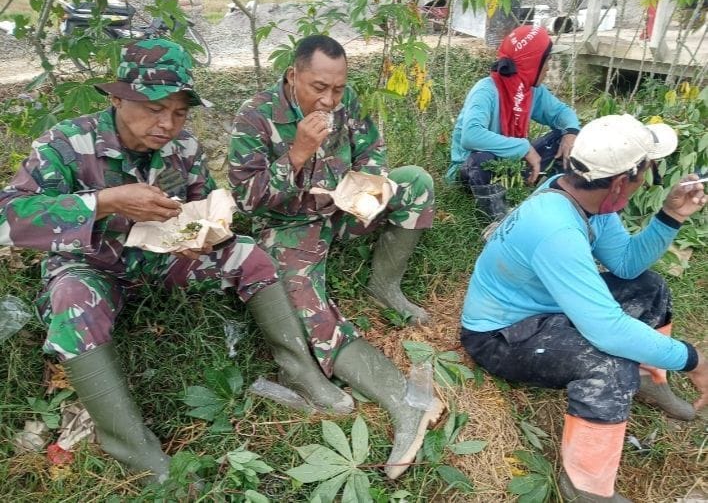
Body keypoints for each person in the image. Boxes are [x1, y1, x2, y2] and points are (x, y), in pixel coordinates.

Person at [0, 38, 355, 483]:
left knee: (252, 256)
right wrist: (104, 202)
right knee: (72, 301)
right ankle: (133, 446)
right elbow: (8, 217)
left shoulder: (182, 147)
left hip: (162, 259)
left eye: (179, 112)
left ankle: (300, 369)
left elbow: (202, 205)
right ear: (117, 97)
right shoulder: (67, 144)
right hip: (90, 265)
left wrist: (202, 232)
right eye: (153, 108)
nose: (166, 124)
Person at [459, 114, 707, 502]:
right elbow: (606, 330)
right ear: (621, 182)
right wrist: (694, 360)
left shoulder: (584, 200)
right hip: (499, 335)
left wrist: (670, 216)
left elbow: (625, 264)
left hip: (545, 310)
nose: (648, 180)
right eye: (648, 172)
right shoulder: (557, 228)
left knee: (651, 288)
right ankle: (584, 488)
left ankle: (648, 380)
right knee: (608, 363)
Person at [228, 35, 442, 479]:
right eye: (318, 87)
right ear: (293, 76)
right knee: (309, 308)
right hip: (291, 225)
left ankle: (385, 286)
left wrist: (372, 184)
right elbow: (249, 201)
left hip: (345, 207)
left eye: (337, 89)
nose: (328, 99)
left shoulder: (346, 102)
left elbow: (372, 150)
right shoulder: (255, 116)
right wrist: (298, 152)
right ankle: (403, 398)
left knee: (416, 182)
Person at [447, 25, 581, 220]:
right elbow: (471, 135)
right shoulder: (486, 90)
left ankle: (557, 202)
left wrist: (570, 132)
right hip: (472, 171)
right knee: (482, 160)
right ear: (533, 63)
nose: (548, 67)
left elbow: (562, 113)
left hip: (512, 165)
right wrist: (524, 148)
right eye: (547, 60)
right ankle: (496, 221)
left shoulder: (530, 91)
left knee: (569, 138)